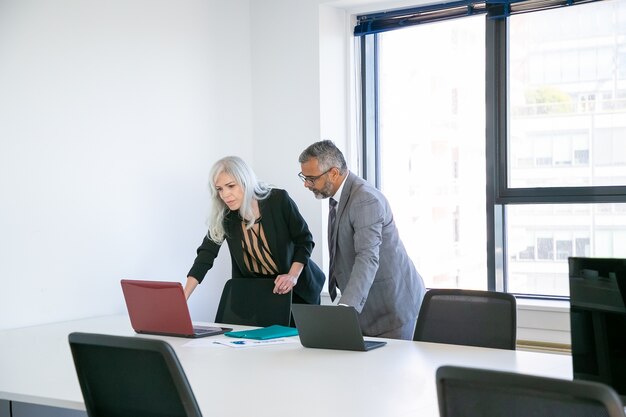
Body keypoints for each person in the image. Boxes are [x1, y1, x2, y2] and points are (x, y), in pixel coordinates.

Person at [298, 140, 426, 340]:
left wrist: (345, 311)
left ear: (333, 172)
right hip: (367, 306)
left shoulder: (365, 199)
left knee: (388, 370)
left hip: (390, 307)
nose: (306, 184)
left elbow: (367, 258)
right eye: (304, 177)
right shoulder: (338, 196)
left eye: (311, 178)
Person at [185, 156, 325, 305]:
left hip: (297, 288)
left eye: (231, 186)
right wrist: (184, 295)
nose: (225, 194)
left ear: (246, 181)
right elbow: (206, 255)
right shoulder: (225, 216)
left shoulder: (278, 200)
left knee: (295, 329)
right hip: (259, 294)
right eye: (220, 189)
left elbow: (304, 240)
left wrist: (292, 276)